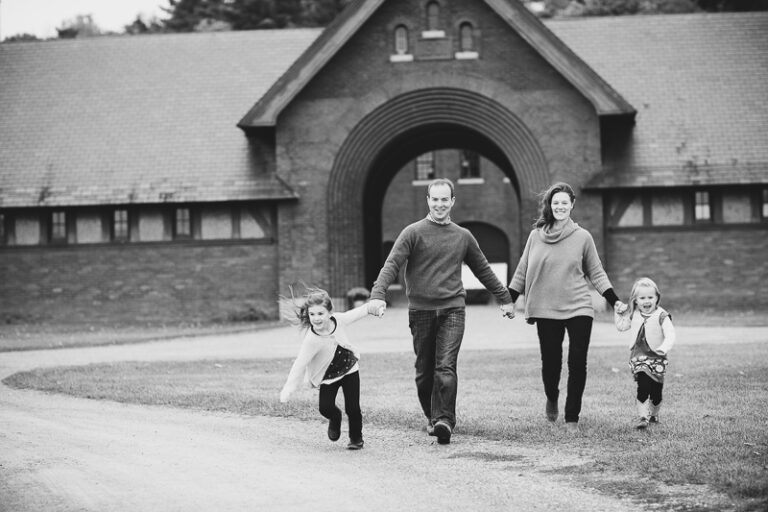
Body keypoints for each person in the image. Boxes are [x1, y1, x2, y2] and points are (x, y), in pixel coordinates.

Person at [367, 178, 515, 445]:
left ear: (452, 201)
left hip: (453, 308)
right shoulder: (412, 232)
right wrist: (378, 295)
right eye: (434, 199)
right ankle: (432, 417)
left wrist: (504, 298)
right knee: (424, 373)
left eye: (444, 199)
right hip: (421, 310)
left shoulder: (463, 236)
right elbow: (392, 264)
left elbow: (482, 269)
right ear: (428, 201)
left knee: (445, 366)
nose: (439, 204)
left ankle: (445, 421)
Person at [507, 182, 627, 433]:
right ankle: (552, 397)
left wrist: (614, 300)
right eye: (555, 202)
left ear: (572, 205)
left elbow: (596, 272)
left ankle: (572, 415)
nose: (560, 206)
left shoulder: (582, 237)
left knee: (577, 362)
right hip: (545, 307)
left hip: (578, 306)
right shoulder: (535, 236)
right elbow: (522, 269)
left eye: (564, 202)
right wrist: (509, 297)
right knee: (551, 364)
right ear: (549, 205)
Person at [279, 287, 379, 450]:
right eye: (312, 314)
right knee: (325, 408)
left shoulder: (338, 320)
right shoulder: (311, 340)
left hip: (349, 369)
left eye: (320, 314)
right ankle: (335, 418)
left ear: (329, 312)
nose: (316, 318)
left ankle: (356, 438)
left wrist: (372, 306)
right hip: (328, 376)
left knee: (353, 407)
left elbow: (356, 313)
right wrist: (288, 389)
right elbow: (300, 364)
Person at [615, 277, 676, 429]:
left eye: (650, 297)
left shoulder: (662, 315)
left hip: (657, 357)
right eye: (642, 298)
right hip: (639, 356)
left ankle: (654, 415)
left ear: (657, 298)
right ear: (635, 300)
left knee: (656, 392)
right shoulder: (633, 314)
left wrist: (664, 347)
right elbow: (622, 327)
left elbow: (671, 334)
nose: (646, 301)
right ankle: (643, 417)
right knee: (643, 386)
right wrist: (618, 313)